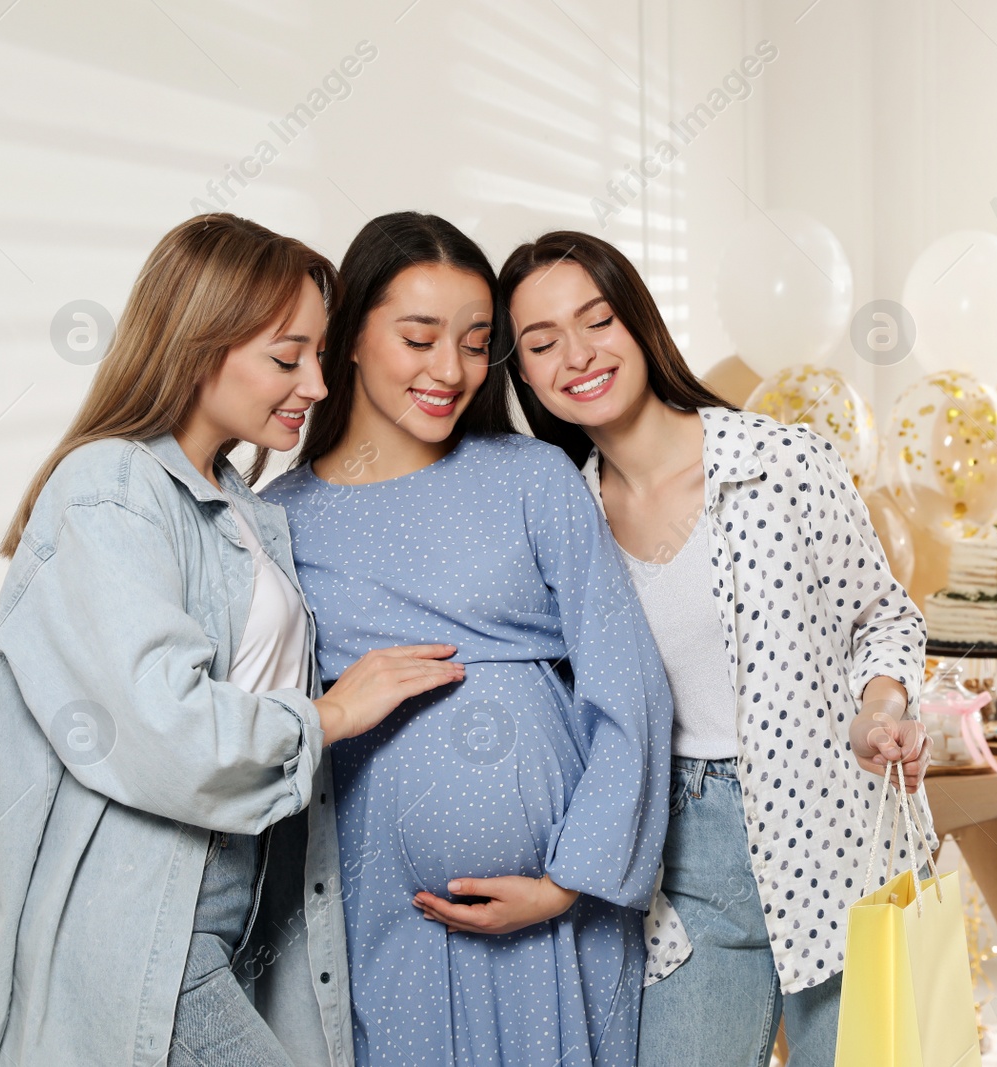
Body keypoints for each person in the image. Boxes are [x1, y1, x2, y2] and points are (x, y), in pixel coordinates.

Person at [0, 214, 463, 1067]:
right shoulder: (108, 489)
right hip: (145, 934)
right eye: (287, 358)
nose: (316, 385)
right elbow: (161, 728)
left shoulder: (250, 511)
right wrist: (327, 716)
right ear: (197, 345)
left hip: (241, 922)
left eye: (319, 356)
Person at [501, 230, 931, 1067]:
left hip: (835, 828)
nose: (577, 355)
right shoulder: (564, 521)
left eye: (596, 322)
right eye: (542, 343)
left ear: (639, 323)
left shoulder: (783, 462)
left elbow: (886, 618)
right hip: (678, 858)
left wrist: (880, 706)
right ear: (523, 376)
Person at [260, 212, 672, 1067]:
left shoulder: (531, 478)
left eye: (478, 342)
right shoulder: (280, 520)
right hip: (384, 914)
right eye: (419, 338)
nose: (450, 369)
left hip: (562, 917)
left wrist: (569, 880)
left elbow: (627, 684)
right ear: (350, 341)